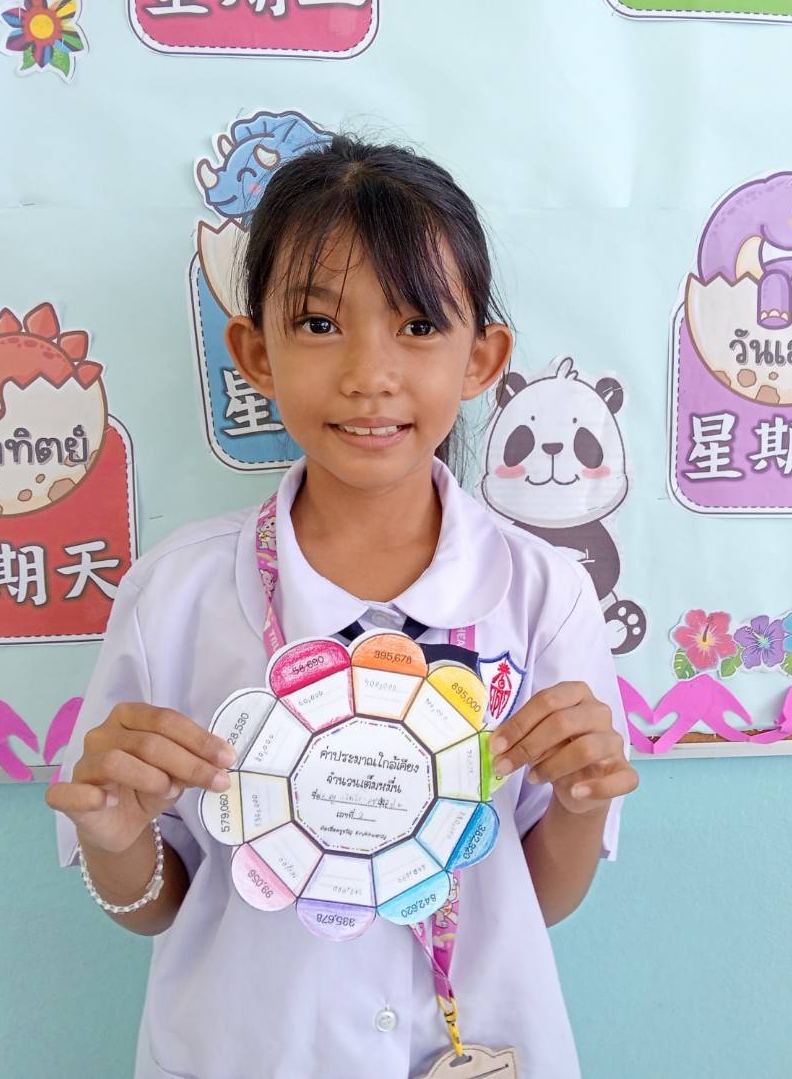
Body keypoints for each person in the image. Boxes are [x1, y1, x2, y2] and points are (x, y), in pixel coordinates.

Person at [46, 134, 637, 1078]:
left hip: (478, 1039)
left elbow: (541, 898)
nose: (369, 374)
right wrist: (116, 840)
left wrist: (577, 799)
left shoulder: (543, 595)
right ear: (256, 352)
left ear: (482, 358)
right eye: (320, 324)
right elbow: (158, 902)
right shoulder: (176, 595)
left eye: (418, 325)